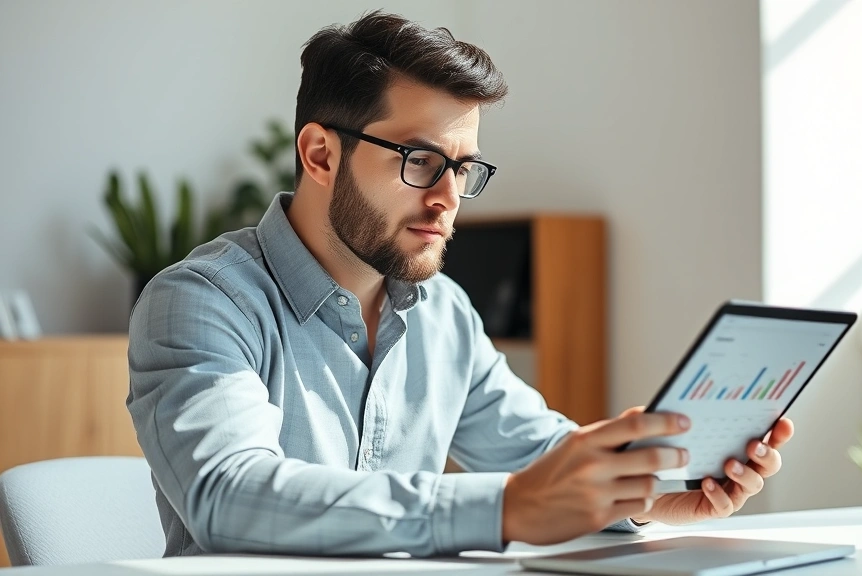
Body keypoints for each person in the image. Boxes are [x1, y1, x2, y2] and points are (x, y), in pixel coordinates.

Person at [126, 10, 794, 558]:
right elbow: (230, 495)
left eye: (464, 167)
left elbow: (540, 454)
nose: (449, 197)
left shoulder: (442, 313)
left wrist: (650, 494)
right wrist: (505, 508)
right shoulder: (200, 302)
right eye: (421, 161)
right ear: (321, 154)